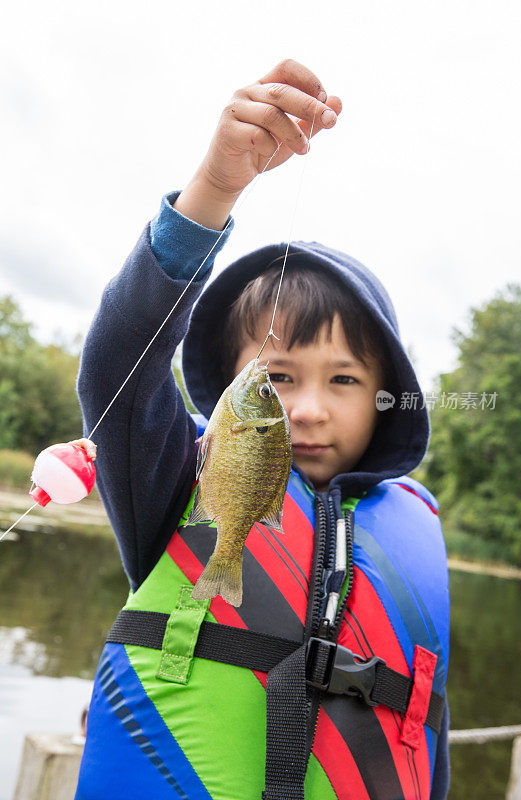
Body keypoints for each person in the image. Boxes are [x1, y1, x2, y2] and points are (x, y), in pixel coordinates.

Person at [74, 59, 450, 800]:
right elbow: (119, 361)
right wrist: (214, 190)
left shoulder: (415, 526)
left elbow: (423, 732)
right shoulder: (175, 471)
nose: (305, 408)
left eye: (342, 380)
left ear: (385, 396)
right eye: (276, 378)